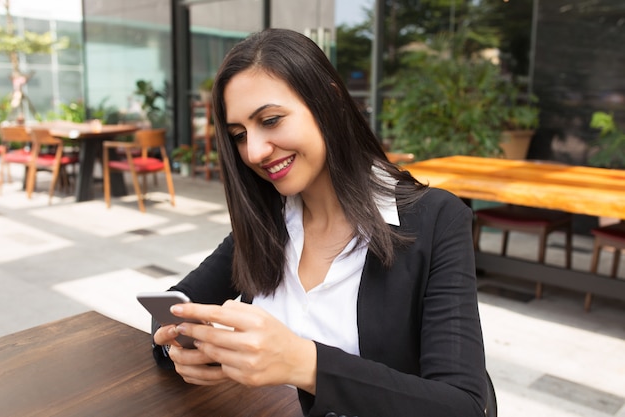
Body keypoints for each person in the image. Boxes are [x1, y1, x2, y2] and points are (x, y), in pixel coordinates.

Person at [151, 28, 487, 417]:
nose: (255, 151)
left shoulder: (436, 221)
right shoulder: (267, 221)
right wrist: (176, 348)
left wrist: (305, 364)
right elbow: (173, 309)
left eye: (271, 120)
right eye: (240, 135)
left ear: (328, 99)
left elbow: (462, 406)